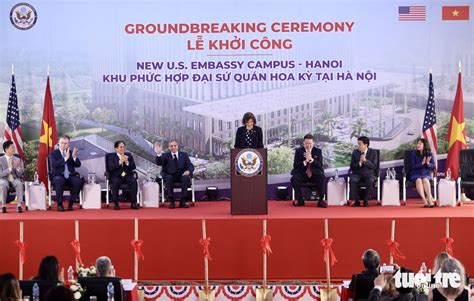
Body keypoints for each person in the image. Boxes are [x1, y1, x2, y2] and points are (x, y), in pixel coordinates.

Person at [155, 140, 194, 209]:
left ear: (177, 146)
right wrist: (158, 154)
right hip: (170, 175)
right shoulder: (165, 155)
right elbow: (159, 163)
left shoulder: (184, 155)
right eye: (171, 146)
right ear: (169, 147)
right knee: (168, 178)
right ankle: (171, 201)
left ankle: (182, 201)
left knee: (186, 178)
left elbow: (190, 165)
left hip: (181, 175)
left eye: (175, 145)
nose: (173, 147)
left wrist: (188, 171)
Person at [290, 134, 326, 207]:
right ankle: (300, 200)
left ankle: (321, 200)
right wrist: (305, 161)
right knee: (294, 179)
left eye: (310, 143)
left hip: (315, 174)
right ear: (303, 143)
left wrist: (311, 160)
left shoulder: (318, 151)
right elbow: (295, 165)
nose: (308, 145)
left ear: (313, 143)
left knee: (322, 177)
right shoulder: (299, 151)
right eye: (306, 143)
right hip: (303, 174)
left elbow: (320, 165)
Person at [48, 135, 83, 211]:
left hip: (70, 176)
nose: (63, 145)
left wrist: (74, 157)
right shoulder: (53, 154)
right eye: (62, 143)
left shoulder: (71, 153)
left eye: (66, 143)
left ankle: (71, 203)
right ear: (58, 143)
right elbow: (54, 165)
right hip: (58, 176)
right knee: (59, 180)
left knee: (78, 181)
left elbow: (78, 165)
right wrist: (65, 158)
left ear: (69, 144)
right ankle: (60, 205)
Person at [107, 141, 138, 210]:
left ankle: (133, 203)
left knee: (133, 181)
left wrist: (127, 162)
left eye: (124, 147)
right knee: (115, 182)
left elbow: (133, 167)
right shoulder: (111, 157)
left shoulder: (128, 155)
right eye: (121, 147)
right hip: (117, 176)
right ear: (116, 148)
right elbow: (111, 168)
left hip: (127, 176)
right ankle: (116, 203)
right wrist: (120, 161)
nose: (123, 148)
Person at [350, 136, 378, 207]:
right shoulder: (355, 152)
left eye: (360, 144)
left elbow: (374, 166)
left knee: (370, 181)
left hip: (369, 174)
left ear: (366, 145)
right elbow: (352, 166)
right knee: (352, 180)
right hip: (357, 174)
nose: (358, 146)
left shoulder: (373, 153)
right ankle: (356, 201)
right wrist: (359, 163)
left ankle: (366, 201)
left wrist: (365, 161)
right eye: (358, 144)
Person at [409, 138, 436, 207]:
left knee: (425, 180)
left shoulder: (429, 154)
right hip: (415, 173)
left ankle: (429, 199)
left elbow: (433, 166)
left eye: (420, 143)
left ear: (424, 145)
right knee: (418, 180)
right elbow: (412, 166)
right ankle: (424, 200)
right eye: (418, 143)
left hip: (425, 173)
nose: (418, 145)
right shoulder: (413, 154)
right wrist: (421, 163)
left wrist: (428, 163)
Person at [0, 141, 24, 213]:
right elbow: (0, 174)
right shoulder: (0, 159)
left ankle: (19, 205)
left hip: (14, 178)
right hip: (3, 178)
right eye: (12, 148)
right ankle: (3, 205)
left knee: (19, 183)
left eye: (14, 147)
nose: (14, 149)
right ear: (6, 149)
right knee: (3, 185)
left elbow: (20, 174)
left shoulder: (17, 159)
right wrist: (10, 168)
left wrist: (17, 168)